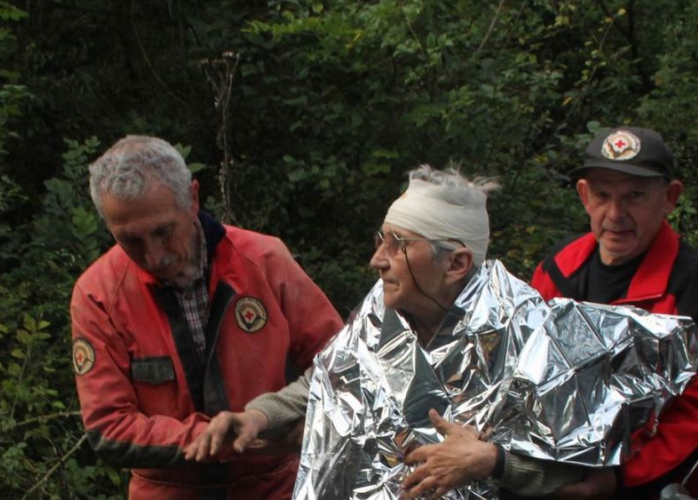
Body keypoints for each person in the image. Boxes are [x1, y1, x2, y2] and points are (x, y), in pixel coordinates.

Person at [185, 166, 589, 498]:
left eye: (399, 245)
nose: (378, 260)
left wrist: (492, 461)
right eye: (382, 240)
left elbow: (581, 474)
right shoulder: (385, 309)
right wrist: (257, 416)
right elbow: (329, 379)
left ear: (456, 264)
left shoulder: (527, 336)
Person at [70, 135, 343, 500]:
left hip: (273, 488)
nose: (154, 256)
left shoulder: (263, 261)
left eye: (163, 232)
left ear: (193, 198)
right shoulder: (98, 294)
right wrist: (223, 438)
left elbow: (340, 363)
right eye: (130, 240)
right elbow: (109, 428)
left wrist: (288, 424)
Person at [530, 126, 698, 499]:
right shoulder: (556, 270)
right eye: (602, 195)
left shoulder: (693, 285)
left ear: (670, 198)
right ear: (584, 196)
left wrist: (621, 480)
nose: (615, 214)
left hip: (660, 486)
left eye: (634, 196)